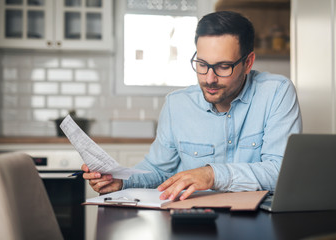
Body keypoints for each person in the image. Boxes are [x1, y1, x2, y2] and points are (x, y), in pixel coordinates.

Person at [82, 11, 302, 201]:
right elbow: (158, 170)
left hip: (259, 219)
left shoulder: (277, 93)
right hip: (195, 218)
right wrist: (121, 181)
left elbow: (280, 172)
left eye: (223, 67)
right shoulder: (177, 104)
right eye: (202, 65)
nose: (209, 78)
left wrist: (212, 175)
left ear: (248, 63)